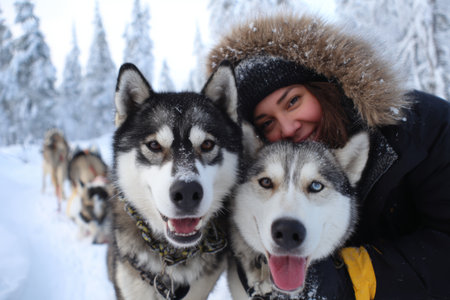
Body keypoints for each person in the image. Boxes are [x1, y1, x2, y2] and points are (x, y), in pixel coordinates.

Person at [206, 13, 450, 299]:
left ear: (323, 86)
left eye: (293, 101)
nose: (288, 128)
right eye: (267, 123)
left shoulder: (421, 129)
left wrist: (347, 278)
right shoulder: (259, 171)